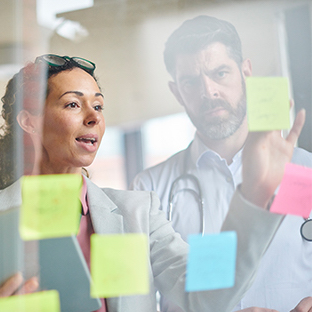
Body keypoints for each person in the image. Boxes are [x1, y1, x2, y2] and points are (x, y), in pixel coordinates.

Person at [0, 54, 305, 312]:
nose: (93, 118)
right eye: (73, 104)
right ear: (30, 122)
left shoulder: (139, 212)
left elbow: (203, 294)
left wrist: (254, 198)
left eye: (99, 106)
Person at [130, 16, 312, 312]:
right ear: (177, 91)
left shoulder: (304, 172)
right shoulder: (150, 190)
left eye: (220, 73)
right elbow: (139, 304)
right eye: (191, 81)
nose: (209, 92)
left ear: (246, 73)